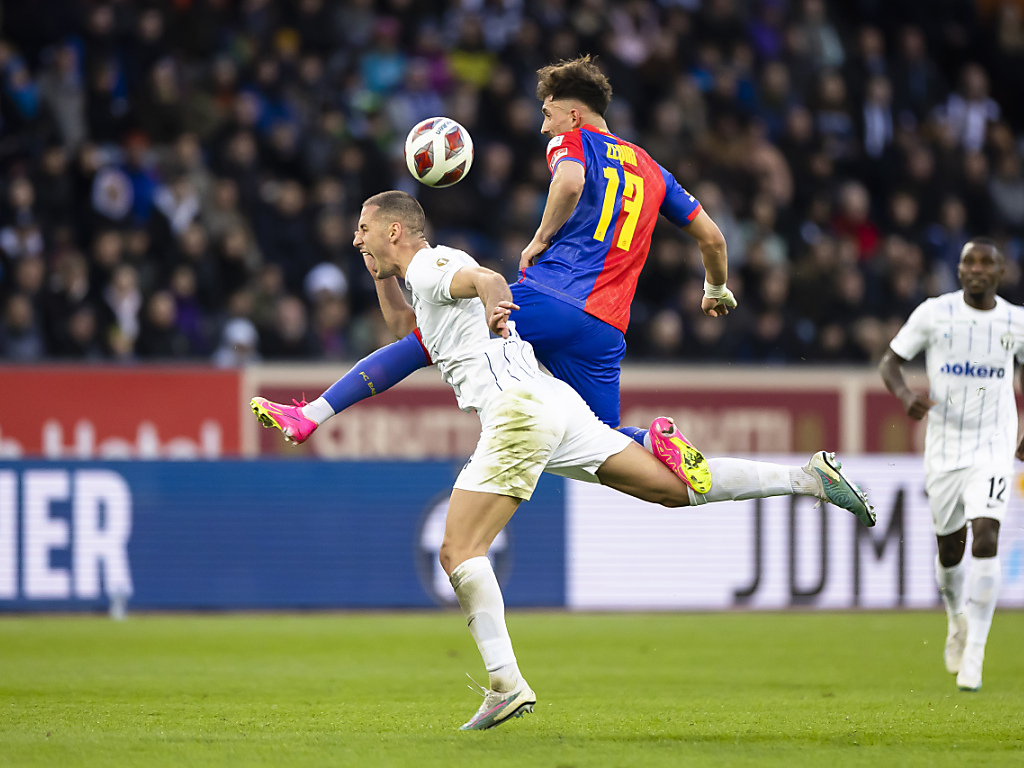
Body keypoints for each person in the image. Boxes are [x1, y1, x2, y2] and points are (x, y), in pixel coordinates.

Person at [255, 192, 872, 730]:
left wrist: (497, 306)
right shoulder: (416, 281)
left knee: (457, 551)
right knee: (670, 490)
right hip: (556, 403)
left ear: (395, 230)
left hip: (518, 410)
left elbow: (487, 278)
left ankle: (505, 684)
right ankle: (806, 477)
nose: (354, 236)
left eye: (363, 227)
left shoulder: (436, 263)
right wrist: (370, 293)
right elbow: (401, 334)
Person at [249, 55, 735, 487]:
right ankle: (654, 439)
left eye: (546, 114)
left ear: (572, 112)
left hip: (555, 297)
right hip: (607, 326)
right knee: (602, 440)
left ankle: (310, 415)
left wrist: (540, 239)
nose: (543, 127)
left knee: (423, 343)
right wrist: (715, 287)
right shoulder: (654, 169)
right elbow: (712, 238)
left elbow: (569, 181)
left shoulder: (574, 141)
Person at [878, 237, 1024, 692]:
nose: (977, 269)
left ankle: (975, 653)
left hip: (993, 445)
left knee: (987, 536)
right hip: (943, 447)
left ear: (1000, 274)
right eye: (969, 262)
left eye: (986, 263)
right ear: (958, 270)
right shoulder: (933, 313)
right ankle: (955, 618)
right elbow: (890, 362)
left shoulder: (1015, 321)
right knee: (950, 551)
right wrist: (905, 398)